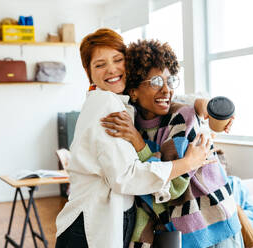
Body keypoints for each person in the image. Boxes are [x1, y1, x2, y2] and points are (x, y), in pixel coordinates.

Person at [55, 28, 213, 248]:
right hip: (89, 226)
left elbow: (162, 94)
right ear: (88, 71)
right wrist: (187, 163)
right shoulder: (106, 105)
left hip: (103, 219)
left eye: (118, 60)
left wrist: (199, 102)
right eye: (100, 64)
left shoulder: (119, 101)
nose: (111, 69)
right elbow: (125, 177)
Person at [101, 39, 243, 248]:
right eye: (157, 82)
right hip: (178, 233)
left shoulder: (181, 117)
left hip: (214, 228)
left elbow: (173, 185)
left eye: (171, 80)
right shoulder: (130, 124)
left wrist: (138, 142)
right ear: (133, 91)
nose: (167, 89)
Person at [217, 149, 253, 248]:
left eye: (223, 171)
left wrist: (238, 216)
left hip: (247, 228)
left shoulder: (236, 183)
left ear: (226, 169)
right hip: (226, 230)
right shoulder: (211, 191)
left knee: (234, 209)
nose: (221, 176)